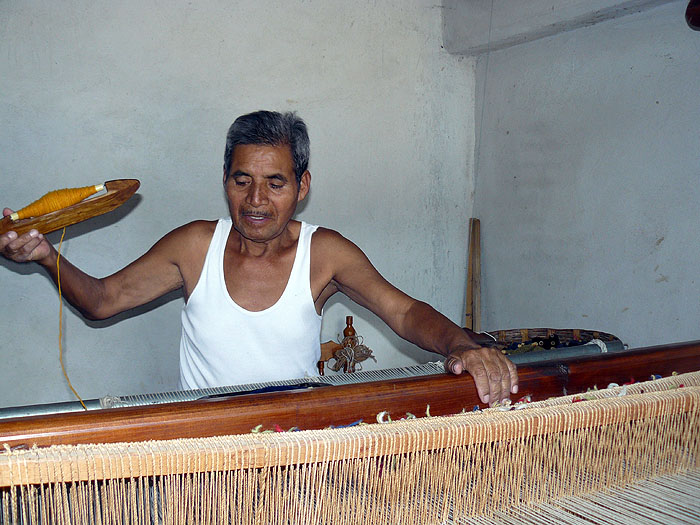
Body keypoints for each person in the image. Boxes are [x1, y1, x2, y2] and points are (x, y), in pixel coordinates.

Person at [0, 110, 517, 406]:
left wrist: (463, 346)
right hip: (204, 455)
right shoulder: (195, 246)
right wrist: (47, 256)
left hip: (294, 456)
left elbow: (403, 312)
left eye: (275, 183)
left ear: (302, 186)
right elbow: (103, 300)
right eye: (241, 180)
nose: (255, 201)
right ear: (225, 181)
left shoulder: (324, 253)